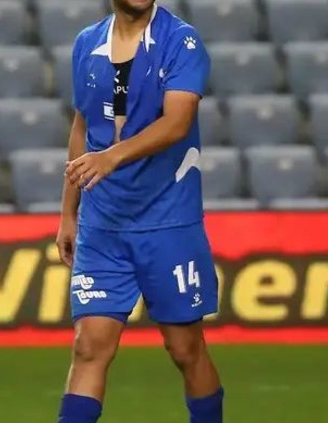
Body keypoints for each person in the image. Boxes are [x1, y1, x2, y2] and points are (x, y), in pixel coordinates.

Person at [55, 1, 223, 422]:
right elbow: (82, 125)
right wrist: (69, 212)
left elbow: (177, 122)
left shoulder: (180, 41)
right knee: (89, 346)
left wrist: (111, 157)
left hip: (167, 221)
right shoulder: (87, 43)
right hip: (103, 225)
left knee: (185, 349)